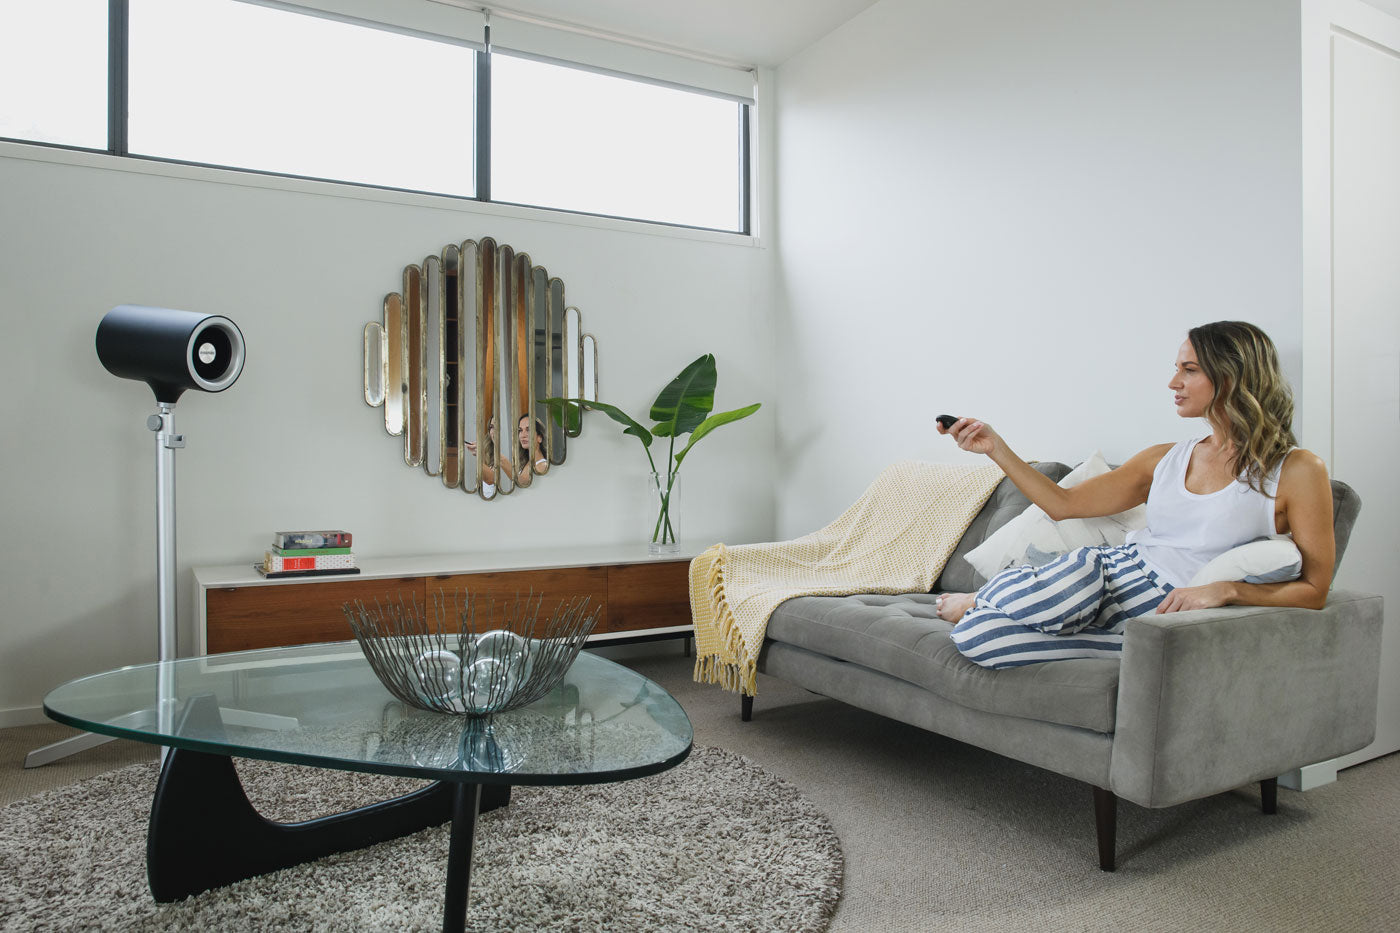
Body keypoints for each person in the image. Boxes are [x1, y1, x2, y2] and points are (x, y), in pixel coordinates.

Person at [934, 320, 1334, 669]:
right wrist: (995, 447)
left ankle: (1006, 609)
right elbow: (1063, 504)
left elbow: (1315, 591)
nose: (1173, 382)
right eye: (1176, 369)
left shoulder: (1297, 471)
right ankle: (990, 599)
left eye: (1188, 370)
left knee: (980, 638)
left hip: (1160, 610)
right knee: (1079, 573)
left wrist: (1228, 590)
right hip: (1106, 575)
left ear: (1230, 377)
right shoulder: (1164, 459)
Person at [510, 415, 550, 488]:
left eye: (528, 430)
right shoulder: (524, 464)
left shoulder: (543, 466)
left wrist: (503, 462)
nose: (522, 435)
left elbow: (524, 484)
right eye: (520, 430)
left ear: (539, 438)